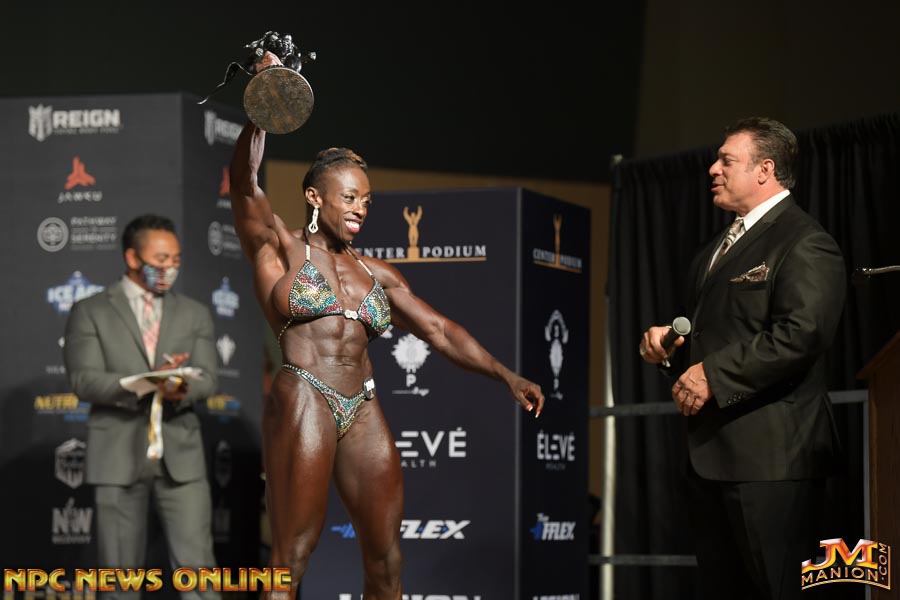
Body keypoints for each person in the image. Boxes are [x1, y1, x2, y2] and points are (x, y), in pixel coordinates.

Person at [229, 52, 544, 600]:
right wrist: (264, 106)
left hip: (363, 404)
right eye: (349, 197)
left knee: (386, 559)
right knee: (292, 556)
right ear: (314, 197)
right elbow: (243, 183)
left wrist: (505, 374)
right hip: (305, 392)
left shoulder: (376, 273)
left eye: (367, 201)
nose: (360, 208)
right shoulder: (278, 246)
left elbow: (440, 331)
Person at [639, 117, 846, 600]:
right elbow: (714, 334)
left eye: (726, 160)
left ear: (764, 170)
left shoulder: (804, 240)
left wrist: (712, 374)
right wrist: (669, 349)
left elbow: (802, 334)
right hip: (710, 459)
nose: (713, 169)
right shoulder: (715, 249)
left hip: (772, 464)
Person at [64, 214, 219, 600]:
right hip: (117, 454)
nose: (170, 268)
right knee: (119, 581)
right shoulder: (90, 310)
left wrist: (179, 385)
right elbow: (84, 380)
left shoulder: (195, 313)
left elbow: (209, 379)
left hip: (182, 458)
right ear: (133, 258)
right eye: (161, 259)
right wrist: (148, 380)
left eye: (176, 260)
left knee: (199, 576)